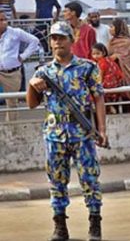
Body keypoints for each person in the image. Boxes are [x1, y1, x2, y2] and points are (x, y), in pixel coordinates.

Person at [26, 21, 108, 241]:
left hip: (82, 132)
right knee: (57, 181)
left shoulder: (87, 67)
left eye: (62, 38)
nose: (57, 42)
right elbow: (32, 104)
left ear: (72, 41)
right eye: (54, 38)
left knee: (90, 179)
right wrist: (32, 84)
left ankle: (95, 223)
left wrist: (102, 129)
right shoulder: (43, 72)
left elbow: (99, 98)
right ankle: (60, 226)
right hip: (55, 134)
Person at [0, 13, 40, 121]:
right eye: (0, 20)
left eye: (4, 19)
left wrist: (23, 56)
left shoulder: (15, 32)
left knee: (12, 102)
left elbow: (34, 41)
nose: (3, 22)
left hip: (11, 73)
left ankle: (12, 130)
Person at [91, 43, 124, 113]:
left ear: (103, 53)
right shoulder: (109, 60)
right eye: (93, 54)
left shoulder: (101, 63)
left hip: (109, 84)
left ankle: (109, 107)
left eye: (98, 53)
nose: (95, 56)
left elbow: (100, 77)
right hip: (116, 83)